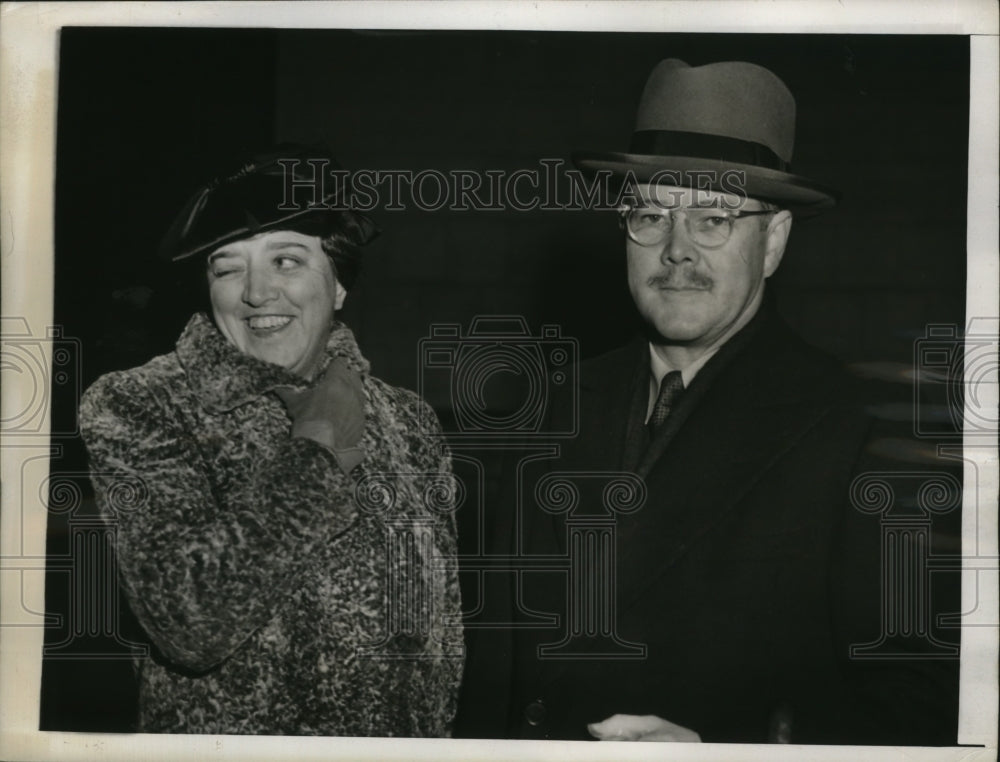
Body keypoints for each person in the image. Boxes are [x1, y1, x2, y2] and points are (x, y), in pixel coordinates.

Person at [456, 59, 958, 744]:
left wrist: (732, 750)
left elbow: (924, 701)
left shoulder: (857, 430)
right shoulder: (551, 405)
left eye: (714, 218)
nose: (676, 251)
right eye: (650, 215)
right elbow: (493, 673)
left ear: (773, 240)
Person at [78, 145, 463, 736]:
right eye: (228, 267)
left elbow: (439, 638)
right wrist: (316, 454)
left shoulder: (407, 418)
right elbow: (189, 623)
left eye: (287, 261)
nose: (256, 292)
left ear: (337, 286)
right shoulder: (142, 403)